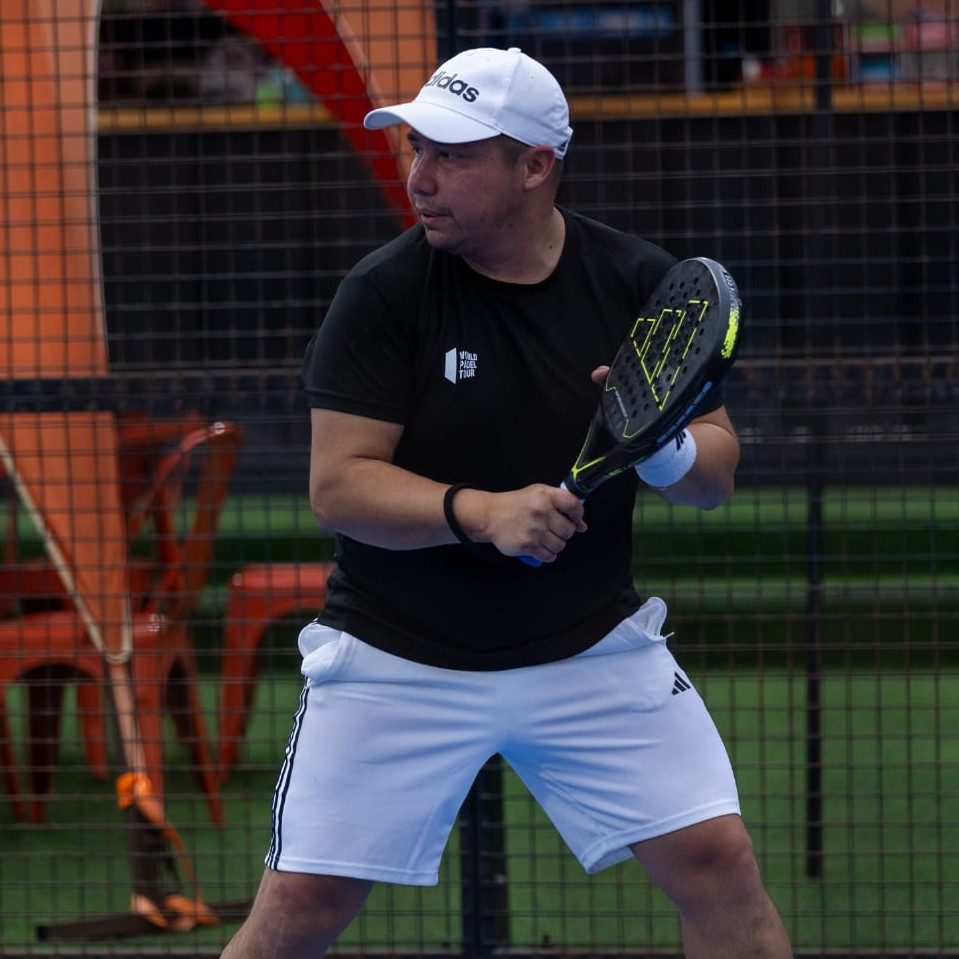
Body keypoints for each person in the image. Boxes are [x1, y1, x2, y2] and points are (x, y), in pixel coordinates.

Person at [221, 46, 792, 959]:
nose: (419, 177)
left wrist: (662, 445)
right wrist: (481, 513)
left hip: (587, 644)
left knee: (718, 864)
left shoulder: (636, 281)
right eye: (417, 148)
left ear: (534, 166)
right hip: (395, 651)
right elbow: (339, 485)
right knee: (298, 909)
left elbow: (712, 477)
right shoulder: (382, 293)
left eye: (452, 156)